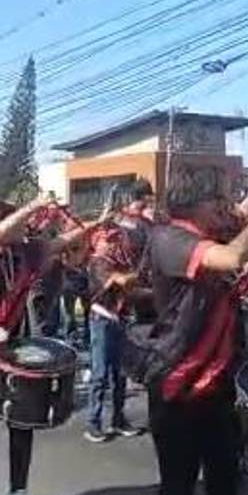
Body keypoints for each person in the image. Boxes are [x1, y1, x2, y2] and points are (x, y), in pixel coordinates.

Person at [142, 179, 248, 495]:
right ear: (196, 203)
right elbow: (231, 257)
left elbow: (239, 249)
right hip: (177, 382)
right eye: (217, 201)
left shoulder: (203, 237)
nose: (224, 209)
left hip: (218, 383)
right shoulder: (170, 238)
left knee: (225, 485)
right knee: (177, 491)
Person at [0, 194, 97, 495]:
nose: (25, 227)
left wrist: (98, 222)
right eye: (16, 221)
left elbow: (61, 242)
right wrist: (31, 205)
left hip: (14, 351)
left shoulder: (26, 252)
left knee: (23, 421)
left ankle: (17, 493)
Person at [83, 179, 154, 443]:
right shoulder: (101, 257)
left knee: (120, 375)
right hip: (102, 318)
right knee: (100, 374)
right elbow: (121, 281)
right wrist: (146, 274)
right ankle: (93, 422)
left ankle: (118, 419)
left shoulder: (126, 255)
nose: (114, 243)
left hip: (122, 319)